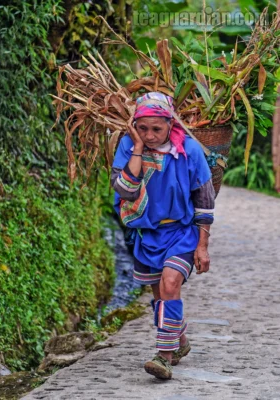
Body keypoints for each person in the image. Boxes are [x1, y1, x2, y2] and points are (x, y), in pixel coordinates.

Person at [110, 92, 215, 380]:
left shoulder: (189, 151)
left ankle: (163, 357)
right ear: (134, 126)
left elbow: (205, 202)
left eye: (157, 128)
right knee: (161, 298)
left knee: (170, 283)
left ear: (171, 124)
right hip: (146, 235)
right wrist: (137, 148)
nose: (150, 134)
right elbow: (124, 190)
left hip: (181, 233)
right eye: (142, 128)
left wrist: (202, 246)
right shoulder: (128, 146)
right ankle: (179, 341)